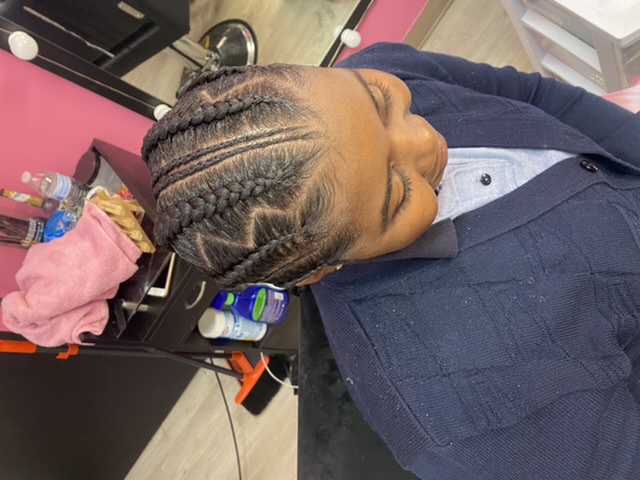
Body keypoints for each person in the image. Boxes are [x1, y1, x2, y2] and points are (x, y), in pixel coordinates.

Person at [142, 42, 640, 479]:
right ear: (323, 269)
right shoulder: (468, 410)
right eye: (398, 193)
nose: (425, 139)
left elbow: (534, 95)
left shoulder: (383, 65)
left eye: (381, 104)